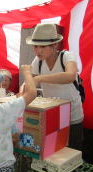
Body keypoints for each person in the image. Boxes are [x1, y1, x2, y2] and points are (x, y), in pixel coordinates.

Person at [26, 23, 84, 151]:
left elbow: (70, 75)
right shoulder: (38, 61)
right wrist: (23, 90)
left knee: (72, 151)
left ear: (54, 45)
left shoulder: (67, 56)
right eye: (35, 46)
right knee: (54, 150)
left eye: (42, 46)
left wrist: (40, 78)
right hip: (52, 113)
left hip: (71, 113)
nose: (38, 50)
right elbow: (30, 82)